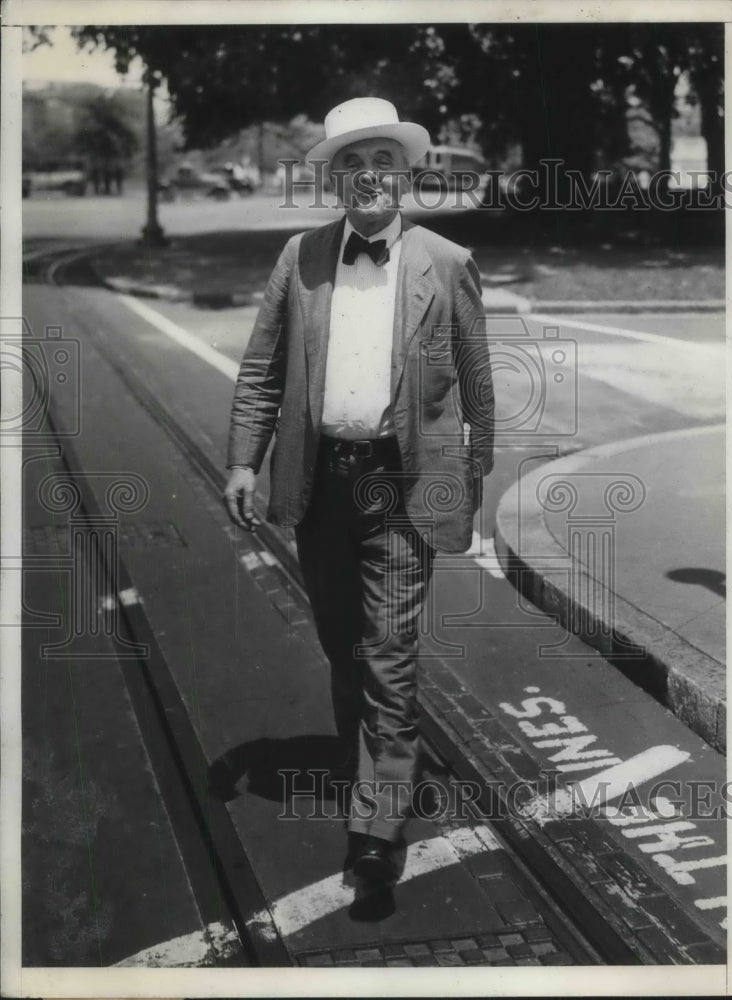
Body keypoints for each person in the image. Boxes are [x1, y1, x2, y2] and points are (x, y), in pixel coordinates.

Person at [224, 97, 494, 883]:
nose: (369, 176)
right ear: (334, 179)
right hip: (320, 485)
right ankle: (366, 768)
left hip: (402, 486)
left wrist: (471, 479)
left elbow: (479, 388)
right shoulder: (298, 257)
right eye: (351, 162)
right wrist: (244, 459)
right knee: (343, 642)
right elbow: (260, 371)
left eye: (382, 160)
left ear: (406, 172)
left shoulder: (446, 262)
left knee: (388, 652)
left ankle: (375, 830)